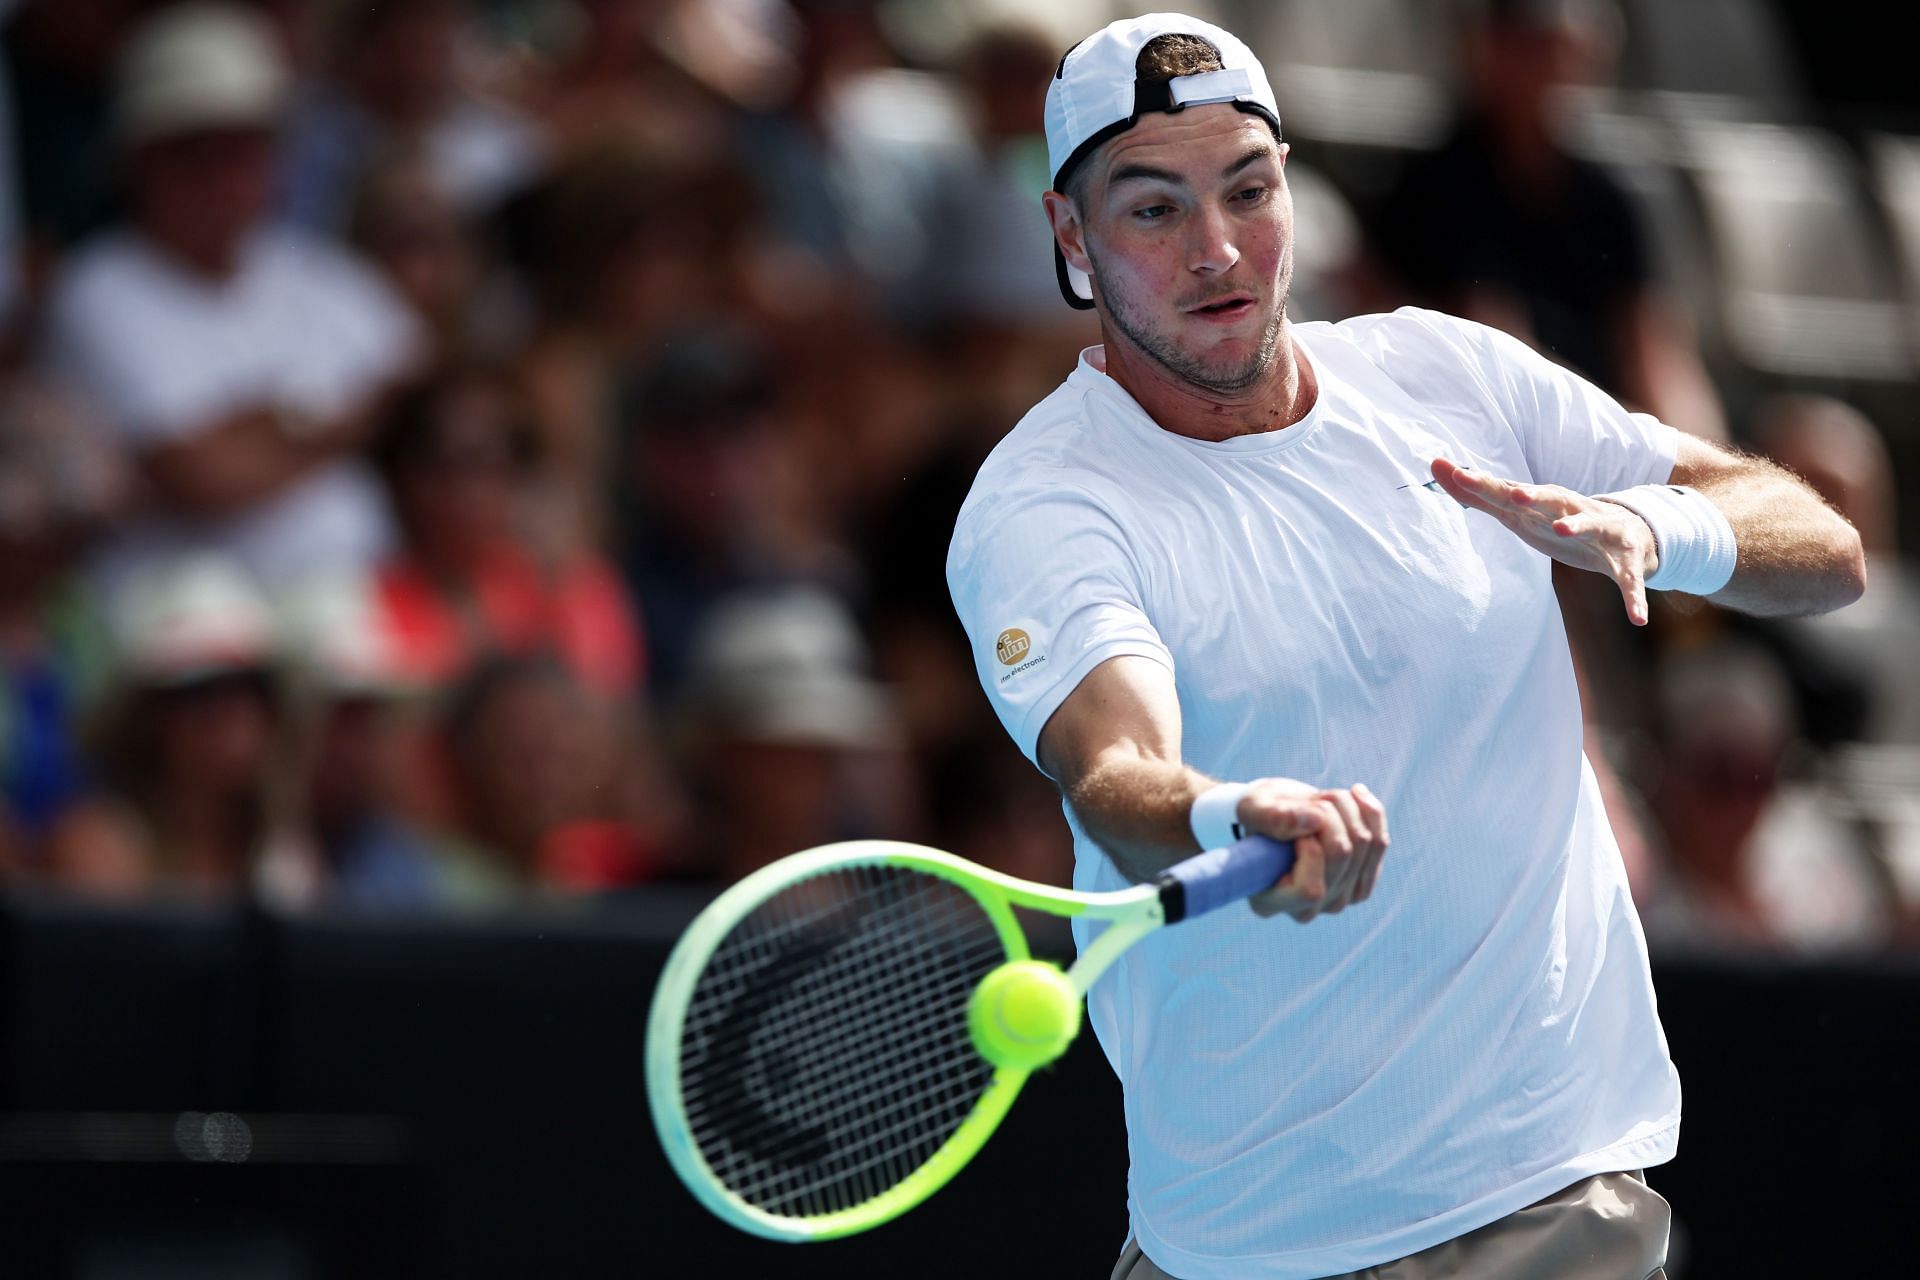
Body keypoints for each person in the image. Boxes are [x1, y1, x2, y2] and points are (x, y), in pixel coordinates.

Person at [944, 14, 1864, 1280]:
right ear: (1072, 238)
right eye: (1151, 209)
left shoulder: (1451, 373)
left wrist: (1660, 523)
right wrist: (1226, 811)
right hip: (1240, 1239)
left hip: (1550, 1189)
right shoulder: (1045, 502)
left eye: (1249, 191)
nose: (1217, 250)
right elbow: (1118, 771)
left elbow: (1821, 543)